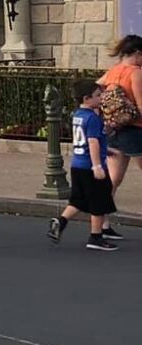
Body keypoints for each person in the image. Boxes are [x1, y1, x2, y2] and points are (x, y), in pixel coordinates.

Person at [48, 82, 120, 251]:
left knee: (79, 199)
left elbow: (87, 140)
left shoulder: (77, 114)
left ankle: (61, 220)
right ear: (87, 99)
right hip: (90, 166)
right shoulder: (93, 118)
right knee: (99, 201)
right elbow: (92, 142)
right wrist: (97, 166)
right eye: (97, 95)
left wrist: (105, 150)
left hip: (77, 164)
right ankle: (95, 237)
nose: (101, 98)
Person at [97, 35, 142, 201]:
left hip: (113, 128)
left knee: (113, 180)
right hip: (134, 129)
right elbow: (141, 105)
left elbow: (97, 85)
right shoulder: (135, 73)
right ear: (137, 53)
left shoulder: (113, 71)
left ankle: (101, 217)